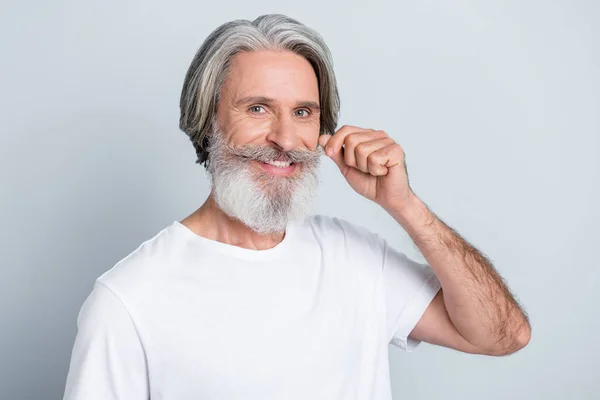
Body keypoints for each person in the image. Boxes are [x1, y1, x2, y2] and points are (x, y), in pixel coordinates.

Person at [63, 13, 530, 400]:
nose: (285, 140)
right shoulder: (128, 300)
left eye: (303, 112)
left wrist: (405, 206)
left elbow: (503, 336)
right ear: (207, 120)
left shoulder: (354, 257)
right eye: (258, 108)